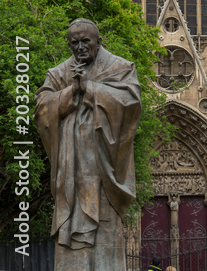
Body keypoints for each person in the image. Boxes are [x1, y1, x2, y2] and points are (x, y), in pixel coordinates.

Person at [35, 19, 142, 270]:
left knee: (104, 226)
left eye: (86, 41)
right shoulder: (59, 73)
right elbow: (41, 108)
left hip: (103, 167)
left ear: (98, 41)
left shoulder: (120, 67)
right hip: (71, 170)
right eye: (75, 43)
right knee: (72, 233)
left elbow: (131, 103)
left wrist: (91, 89)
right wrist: (72, 92)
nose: (81, 47)